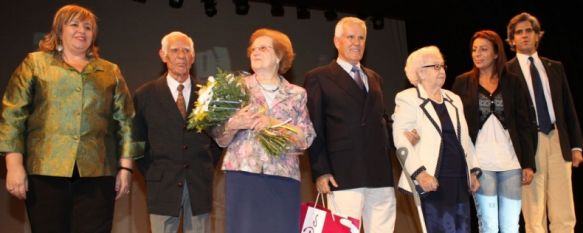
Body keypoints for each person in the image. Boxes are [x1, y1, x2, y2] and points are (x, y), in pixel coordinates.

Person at [0, 4, 140, 233]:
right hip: (45, 170)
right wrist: (14, 165)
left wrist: (126, 169)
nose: (81, 31)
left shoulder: (110, 71)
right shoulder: (35, 64)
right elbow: (12, 114)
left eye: (88, 27)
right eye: (74, 24)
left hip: (98, 173)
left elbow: (126, 121)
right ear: (59, 30)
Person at [209, 28, 315, 233]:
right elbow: (220, 138)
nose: (255, 52)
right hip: (244, 174)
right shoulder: (236, 87)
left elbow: (306, 138)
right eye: (253, 49)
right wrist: (234, 124)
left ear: (279, 56)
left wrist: (273, 123)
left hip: (283, 175)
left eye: (263, 48)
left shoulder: (297, 94)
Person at [303, 16, 396, 233]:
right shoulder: (319, 77)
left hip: (379, 172)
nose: (357, 42)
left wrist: (402, 135)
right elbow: (313, 127)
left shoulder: (375, 79)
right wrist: (321, 170)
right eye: (350, 37)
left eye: (361, 38)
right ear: (337, 42)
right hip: (342, 172)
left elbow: (381, 121)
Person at [133, 31, 221, 233]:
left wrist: (204, 164)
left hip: (199, 184)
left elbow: (218, 139)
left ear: (193, 57)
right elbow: (137, 142)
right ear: (163, 55)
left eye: (186, 50)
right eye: (174, 50)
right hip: (161, 185)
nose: (181, 55)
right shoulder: (145, 94)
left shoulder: (208, 94)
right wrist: (154, 171)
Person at [451, 30, 536, 233]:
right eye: (474, 50)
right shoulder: (463, 83)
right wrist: (467, 165)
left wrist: (528, 164)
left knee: (510, 226)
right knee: (488, 225)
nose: (477, 54)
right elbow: (455, 124)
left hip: (511, 163)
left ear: (496, 53)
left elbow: (525, 125)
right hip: (481, 164)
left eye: (483, 49)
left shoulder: (513, 82)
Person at [505, 12, 583, 233]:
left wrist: (576, 145)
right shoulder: (506, 71)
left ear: (537, 35)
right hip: (530, 144)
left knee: (564, 208)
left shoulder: (554, 67)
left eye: (529, 31)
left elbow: (568, 107)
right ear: (511, 40)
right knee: (534, 212)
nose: (524, 36)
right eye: (518, 33)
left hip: (558, 139)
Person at [392, 45, 481, 233]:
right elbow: (401, 140)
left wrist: (472, 170)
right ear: (421, 73)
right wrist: (420, 174)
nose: (441, 70)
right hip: (433, 180)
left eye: (442, 66)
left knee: (462, 229)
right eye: (436, 66)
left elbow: (464, 138)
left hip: (458, 177)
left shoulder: (453, 99)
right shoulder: (408, 98)